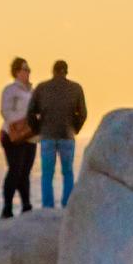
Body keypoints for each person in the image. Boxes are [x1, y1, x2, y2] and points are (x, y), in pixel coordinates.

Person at [27, 58, 88, 210]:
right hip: (67, 136)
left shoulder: (42, 88)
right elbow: (83, 114)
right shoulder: (76, 88)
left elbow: (30, 113)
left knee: (47, 173)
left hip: (47, 136)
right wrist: (75, 128)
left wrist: (38, 130)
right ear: (66, 71)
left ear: (53, 71)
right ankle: (67, 205)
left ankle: (48, 206)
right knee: (67, 172)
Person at [0, 55, 36, 218]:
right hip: (12, 135)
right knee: (15, 169)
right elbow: (5, 111)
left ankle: (26, 205)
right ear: (17, 72)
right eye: (25, 69)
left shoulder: (32, 91)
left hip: (29, 136)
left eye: (29, 69)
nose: (28, 72)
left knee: (25, 171)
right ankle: (7, 207)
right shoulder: (10, 90)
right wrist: (20, 122)